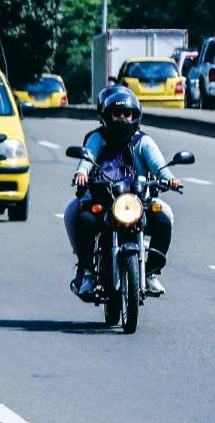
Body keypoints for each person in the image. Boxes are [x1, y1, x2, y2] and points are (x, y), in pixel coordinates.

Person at [65, 85, 182, 297]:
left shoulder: (142, 141)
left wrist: (170, 179)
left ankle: (151, 273)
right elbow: (87, 158)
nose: (122, 118)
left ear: (135, 116)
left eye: (127, 114)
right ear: (105, 116)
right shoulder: (97, 138)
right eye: (116, 114)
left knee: (165, 218)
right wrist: (81, 174)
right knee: (78, 217)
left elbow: (158, 165)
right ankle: (88, 273)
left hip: (139, 201)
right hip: (105, 197)